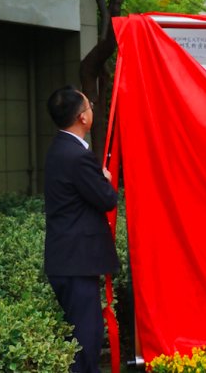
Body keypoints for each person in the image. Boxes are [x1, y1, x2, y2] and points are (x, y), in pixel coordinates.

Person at [44, 86, 120, 373]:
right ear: (82, 118)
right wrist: (104, 178)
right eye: (89, 105)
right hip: (76, 261)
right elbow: (106, 198)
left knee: (82, 335)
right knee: (86, 340)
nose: (92, 109)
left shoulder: (60, 148)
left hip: (68, 258)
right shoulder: (76, 156)